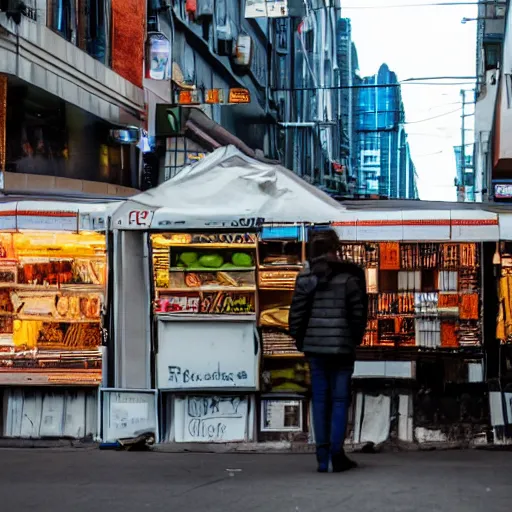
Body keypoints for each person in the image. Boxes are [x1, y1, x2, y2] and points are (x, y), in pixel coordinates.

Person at [289, 229, 368, 473]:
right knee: (340, 400)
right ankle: (337, 453)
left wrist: (302, 342)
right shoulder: (350, 278)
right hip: (342, 349)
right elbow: (358, 316)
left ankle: (323, 458)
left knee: (321, 400)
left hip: (315, 349)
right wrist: (352, 340)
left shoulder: (304, 278)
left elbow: (296, 317)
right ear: (336, 249)